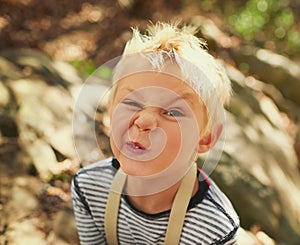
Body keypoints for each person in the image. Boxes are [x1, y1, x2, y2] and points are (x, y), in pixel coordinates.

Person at [71, 22, 239, 245]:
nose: (143, 121)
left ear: (205, 138)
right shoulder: (89, 188)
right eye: (131, 102)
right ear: (110, 112)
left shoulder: (216, 228)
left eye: (172, 111)